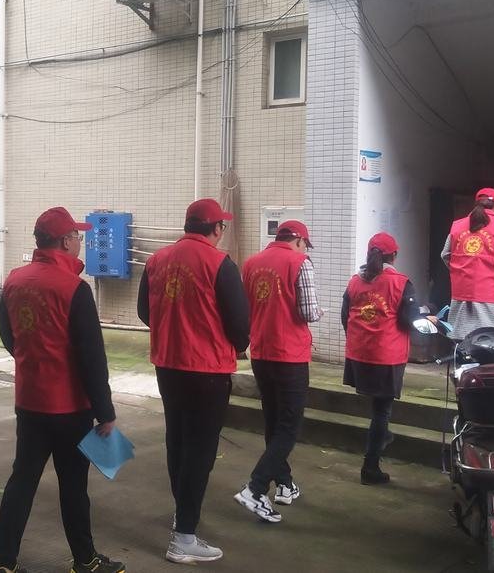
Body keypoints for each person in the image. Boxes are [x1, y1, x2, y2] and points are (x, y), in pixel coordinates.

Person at [0, 207, 125, 573]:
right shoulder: (74, 289)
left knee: (22, 480)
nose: (80, 242)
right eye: (77, 237)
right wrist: (105, 412)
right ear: (66, 241)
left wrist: (33, 360)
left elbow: (8, 335)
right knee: (73, 486)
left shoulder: (15, 281)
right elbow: (91, 357)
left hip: (30, 401)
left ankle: (4, 563)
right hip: (70, 407)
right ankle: (85, 560)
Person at [137, 198, 250, 564]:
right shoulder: (219, 264)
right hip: (207, 370)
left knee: (178, 440)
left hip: (168, 365)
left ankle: (182, 514)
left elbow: (144, 311)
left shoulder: (156, 260)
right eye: (222, 227)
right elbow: (240, 326)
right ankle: (184, 536)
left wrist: (174, 327)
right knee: (201, 450)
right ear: (216, 228)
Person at [235, 220, 322, 523]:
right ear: (299, 241)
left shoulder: (251, 263)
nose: (304, 249)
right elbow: (308, 311)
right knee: (289, 426)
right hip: (290, 355)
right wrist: (320, 312)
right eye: (304, 244)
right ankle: (256, 488)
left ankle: (284, 484)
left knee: (273, 420)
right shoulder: (300, 263)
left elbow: (246, 308)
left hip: (261, 353)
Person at [342, 232, 430, 484]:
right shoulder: (400, 283)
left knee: (378, 410)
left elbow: (345, 316)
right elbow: (408, 320)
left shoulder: (354, 282)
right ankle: (370, 467)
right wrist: (427, 315)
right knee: (382, 412)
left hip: (359, 355)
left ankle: (381, 437)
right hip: (386, 357)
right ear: (394, 256)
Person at [441, 188, 494, 341]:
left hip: (460, 292)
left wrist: (461, 270)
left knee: (459, 339)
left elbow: (445, 255)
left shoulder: (457, 226)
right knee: (485, 340)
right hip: (488, 294)